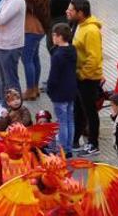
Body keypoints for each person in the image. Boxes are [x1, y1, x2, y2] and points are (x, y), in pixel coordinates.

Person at [67, 0, 103, 156]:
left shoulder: (91, 31)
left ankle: (93, 144)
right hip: (80, 77)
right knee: (79, 110)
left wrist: (82, 74)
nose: (68, 11)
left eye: (71, 10)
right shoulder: (79, 25)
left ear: (80, 13)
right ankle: (75, 140)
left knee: (90, 112)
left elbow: (94, 58)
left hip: (88, 79)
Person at [47, 22, 78, 157]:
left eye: (54, 35)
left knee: (62, 122)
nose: (52, 37)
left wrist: (49, 90)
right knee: (70, 120)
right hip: (71, 90)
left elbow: (53, 76)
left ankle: (63, 149)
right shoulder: (72, 50)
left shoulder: (58, 55)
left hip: (59, 92)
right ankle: (69, 148)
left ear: (60, 37)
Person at [20, 0, 49, 100]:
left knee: (26, 58)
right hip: (38, 28)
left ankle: (30, 89)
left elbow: (22, 4)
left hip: (32, 28)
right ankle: (35, 88)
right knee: (34, 58)